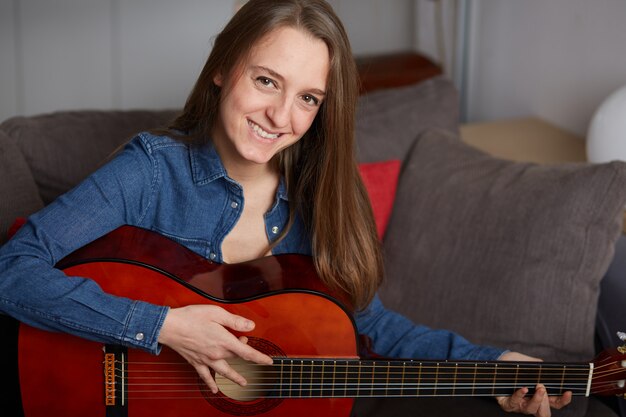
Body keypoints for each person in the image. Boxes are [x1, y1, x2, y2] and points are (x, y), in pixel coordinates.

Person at [0, 0, 571, 415]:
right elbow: (11, 270)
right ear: (223, 69)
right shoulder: (150, 171)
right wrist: (166, 327)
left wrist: (491, 364)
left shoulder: (325, 192)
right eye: (267, 80)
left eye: (307, 98)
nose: (281, 117)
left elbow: (366, 326)